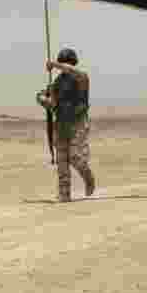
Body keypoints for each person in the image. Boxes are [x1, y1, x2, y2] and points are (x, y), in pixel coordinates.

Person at [36, 49, 95, 202]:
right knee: (62, 160)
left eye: (65, 63)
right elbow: (53, 104)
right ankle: (64, 193)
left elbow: (72, 71)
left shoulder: (81, 77)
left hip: (77, 122)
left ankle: (88, 178)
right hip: (61, 123)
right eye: (63, 63)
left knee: (75, 158)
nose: (64, 67)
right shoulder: (57, 83)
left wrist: (55, 65)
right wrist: (43, 98)